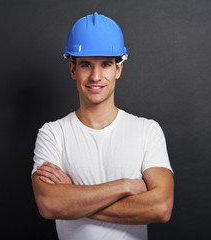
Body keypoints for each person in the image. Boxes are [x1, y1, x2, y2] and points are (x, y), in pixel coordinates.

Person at [31, 12, 174, 240]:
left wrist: (74, 197)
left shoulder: (147, 130)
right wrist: (126, 186)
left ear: (118, 69)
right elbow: (49, 204)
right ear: (73, 70)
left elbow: (161, 207)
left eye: (106, 64)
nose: (96, 76)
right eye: (86, 64)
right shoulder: (52, 134)